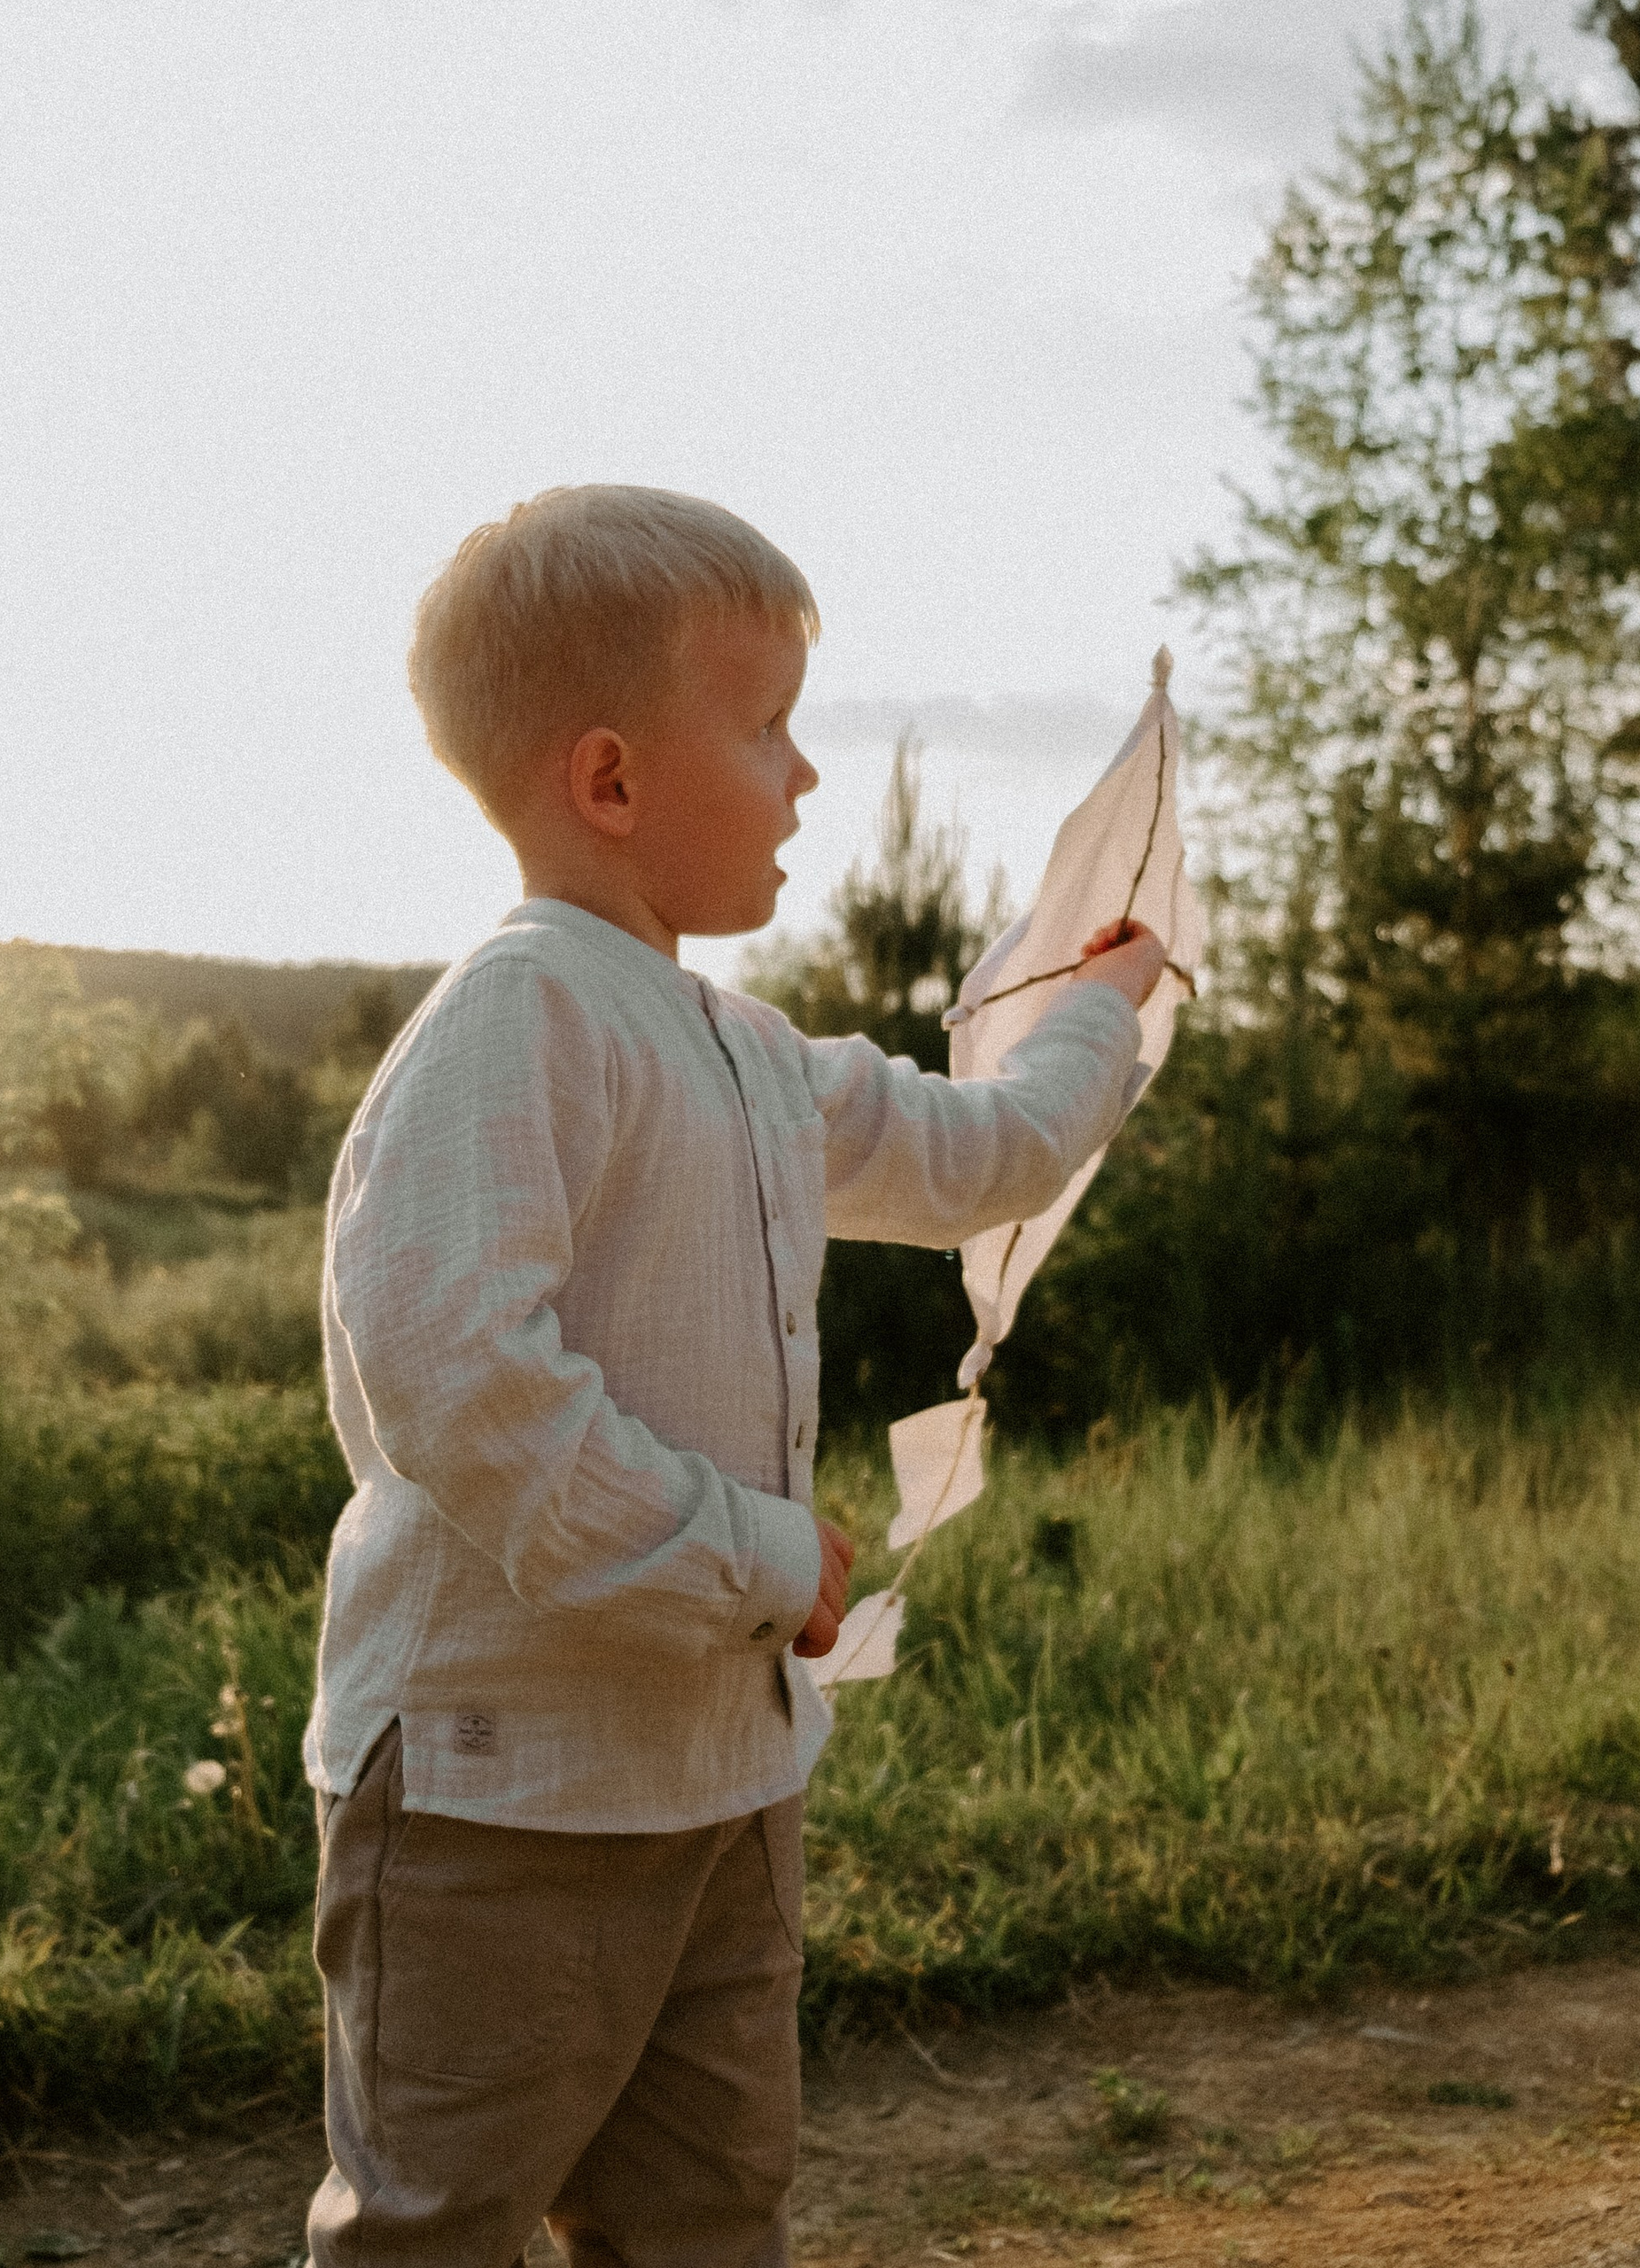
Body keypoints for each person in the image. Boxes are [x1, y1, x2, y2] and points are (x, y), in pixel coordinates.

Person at [301, 485, 1166, 2267]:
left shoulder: (753, 1053)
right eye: (764, 725)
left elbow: (983, 1153)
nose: (804, 773)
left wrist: (1098, 1004)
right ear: (609, 781)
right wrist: (752, 1553)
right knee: (432, 2227)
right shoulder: (512, 1016)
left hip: (719, 1786)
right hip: (493, 1791)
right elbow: (460, 1380)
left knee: (703, 2218)